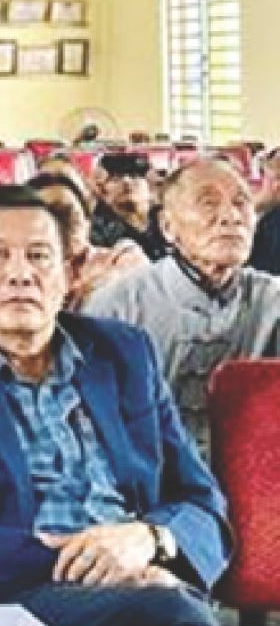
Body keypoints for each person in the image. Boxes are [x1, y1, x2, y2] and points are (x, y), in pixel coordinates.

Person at [0, 185, 229, 626]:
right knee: (176, 615)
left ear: (67, 272)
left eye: (39, 256)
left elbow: (202, 502)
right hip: (17, 594)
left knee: (176, 611)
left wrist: (149, 540)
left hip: (147, 575)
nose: (20, 274)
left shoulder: (124, 353)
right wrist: (93, 560)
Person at [88, 159, 280, 458]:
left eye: (241, 203)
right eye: (208, 203)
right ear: (168, 227)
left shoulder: (272, 300)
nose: (230, 217)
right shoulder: (116, 307)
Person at [29, 174, 148, 309]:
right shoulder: (23, 276)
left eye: (69, 212)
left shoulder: (121, 257)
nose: (63, 223)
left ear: (87, 220)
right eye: (52, 214)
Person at [90, 152, 169, 260]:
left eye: (134, 176)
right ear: (104, 191)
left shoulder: (166, 221)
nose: (126, 181)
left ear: (150, 188)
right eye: (116, 177)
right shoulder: (96, 230)